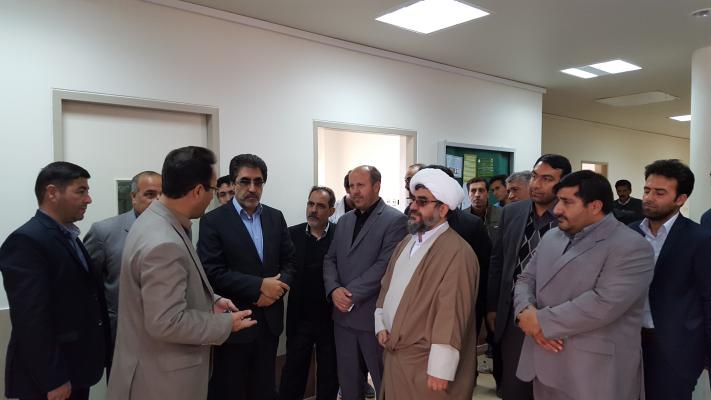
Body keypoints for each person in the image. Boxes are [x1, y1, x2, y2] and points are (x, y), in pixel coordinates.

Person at [107, 147, 255, 400]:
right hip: (161, 382)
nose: (212, 198)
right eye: (212, 190)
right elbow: (167, 321)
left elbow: (159, 295)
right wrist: (225, 324)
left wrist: (210, 301)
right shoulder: (163, 242)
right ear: (197, 191)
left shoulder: (153, 219)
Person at [513, 170, 654, 399]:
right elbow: (525, 279)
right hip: (544, 360)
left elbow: (604, 303)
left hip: (594, 371)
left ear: (595, 206)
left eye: (567, 202)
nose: (557, 209)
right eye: (558, 200)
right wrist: (524, 312)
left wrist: (540, 322)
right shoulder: (552, 237)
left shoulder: (632, 246)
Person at [0, 161, 110, 400]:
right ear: (52, 192)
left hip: (76, 367)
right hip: (50, 379)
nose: (88, 199)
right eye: (81, 191)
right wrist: (53, 378)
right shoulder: (26, 241)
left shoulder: (69, 236)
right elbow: (31, 318)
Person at [198, 153, 297, 400]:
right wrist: (259, 287)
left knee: (264, 390)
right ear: (233, 183)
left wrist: (275, 291)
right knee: (229, 390)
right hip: (233, 323)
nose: (252, 188)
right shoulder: (213, 221)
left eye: (258, 182)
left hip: (270, 322)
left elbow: (290, 262)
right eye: (245, 181)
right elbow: (212, 272)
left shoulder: (275, 217)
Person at [375, 167, 479, 399]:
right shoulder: (406, 242)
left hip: (426, 366)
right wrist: (381, 322)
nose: (413, 206)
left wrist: (440, 368)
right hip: (395, 355)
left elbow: (451, 314)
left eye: (422, 202)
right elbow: (386, 286)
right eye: (413, 200)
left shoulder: (458, 252)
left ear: (443, 209)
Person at [488, 154, 571, 400]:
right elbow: (498, 261)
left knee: (549, 387)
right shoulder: (512, 212)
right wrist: (492, 306)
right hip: (513, 315)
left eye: (547, 179)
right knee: (514, 387)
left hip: (553, 318)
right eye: (535, 176)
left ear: (563, 183)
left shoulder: (571, 217)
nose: (536, 184)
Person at [323, 165, 408, 400]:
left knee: (383, 380)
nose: (354, 191)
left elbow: (385, 266)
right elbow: (330, 259)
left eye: (360, 185)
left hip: (373, 317)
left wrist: (348, 295)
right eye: (351, 186)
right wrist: (334, 289)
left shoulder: (395, 220)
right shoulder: (344, 221)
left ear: (377, 186)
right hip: (342, 317)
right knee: (348, 380)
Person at [630, 159, 711, 400]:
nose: (648, 198)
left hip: (675, 351)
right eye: (646, 190)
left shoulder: (699, 239)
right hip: (628, 344)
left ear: (680, 199)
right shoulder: (629, 233)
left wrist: (705, 355)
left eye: (659, 193)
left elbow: (708, 299)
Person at [84, 170, 161, 369]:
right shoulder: (104, 232)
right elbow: (88, 286)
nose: (157, 201)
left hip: (164, 333)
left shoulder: (179, 229)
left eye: (162, 195)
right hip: (121, 334)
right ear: (133, 197)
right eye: (150, 194)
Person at [279, 186, 339, 400]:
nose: (313, 210)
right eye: (310, 204)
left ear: (331, 211)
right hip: (300, 317)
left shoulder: (339, 235)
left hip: (330, 318)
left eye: (320, 206)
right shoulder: (291, 234)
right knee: (293, 372)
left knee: (329, 374)